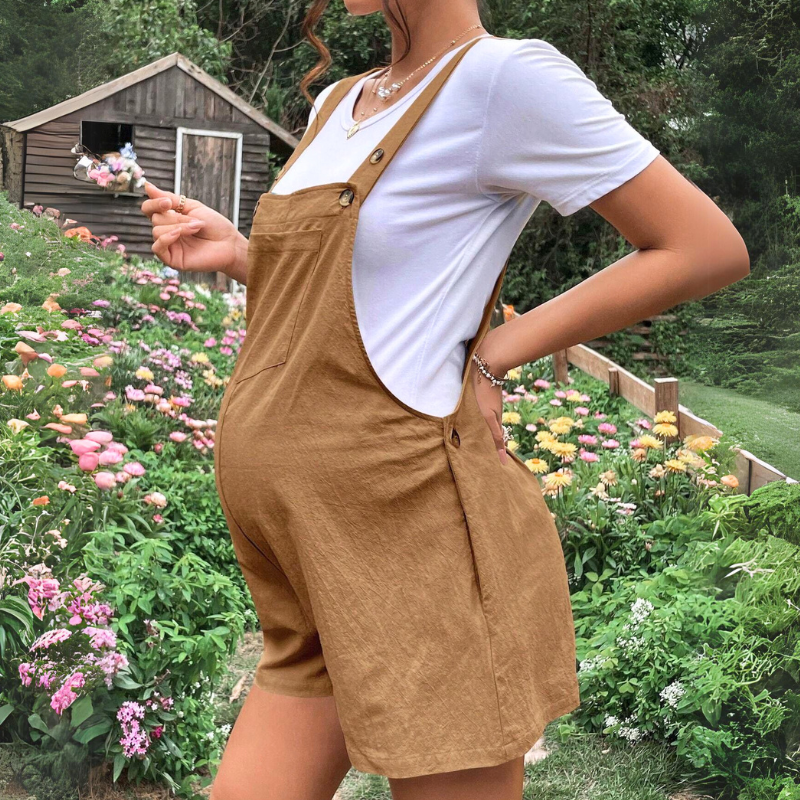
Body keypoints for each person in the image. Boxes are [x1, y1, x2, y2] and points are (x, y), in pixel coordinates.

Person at [141, 0, 750, 798]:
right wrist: (249, 257)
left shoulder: (504, 80)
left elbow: (704, 246)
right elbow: (380, 292)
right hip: (306, 536)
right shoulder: (340, 101)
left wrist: (497, 354)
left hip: (412, 522)